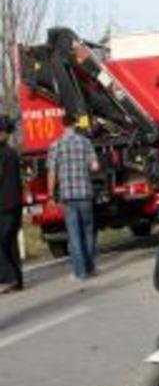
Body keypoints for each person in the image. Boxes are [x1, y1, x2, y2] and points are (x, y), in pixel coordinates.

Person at [47, 114, 100, 280]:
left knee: (74, 234)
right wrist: (88, 167)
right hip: (85, 193)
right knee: (88, 231)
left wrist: (50, 194)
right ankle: (91, 268)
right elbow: (95, 166)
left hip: (68, 196)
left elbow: (52, 172)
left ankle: (80, 272)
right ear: (75, 124)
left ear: (62, 125)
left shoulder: (56, 145)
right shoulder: (85, 142)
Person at [0, 114, 23, 293]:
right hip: (14, 202)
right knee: (11, 242)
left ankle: (9, 278)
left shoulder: (2, 153)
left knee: (2, 242)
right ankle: (17, 280)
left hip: (5, 204)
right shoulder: (12, 152)